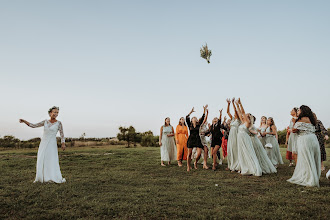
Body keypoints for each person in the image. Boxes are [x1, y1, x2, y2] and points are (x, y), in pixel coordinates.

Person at [19, 106, 66, 183]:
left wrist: (63, 143)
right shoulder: (45, 122)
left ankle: (52, 176)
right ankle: (42, 177)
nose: (56, 114)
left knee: (51, 159)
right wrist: (24, 121)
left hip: (52, 144)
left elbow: (62, 134)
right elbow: (33, 125)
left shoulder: (59, 123)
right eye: (54, 112)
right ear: (50, 113)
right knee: (42, 159)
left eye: (57, 112)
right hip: (43, 143)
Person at [287, 105, 321, 187]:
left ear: (303, 111)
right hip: (313, 139)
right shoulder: (311, 119)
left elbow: (295, 130)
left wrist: (291, 127)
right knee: (312, 157)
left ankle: (308, 177)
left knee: (305, 158)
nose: (297, 112)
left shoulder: (302, 119)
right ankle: (314, 176)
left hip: (305, 140)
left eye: (298, 110)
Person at [235, 99, 262, 176]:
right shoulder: (242, 122)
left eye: (246, 115)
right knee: (242, 152)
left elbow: (242, 112)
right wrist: (237, 105)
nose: (244, 115)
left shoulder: (248, 122)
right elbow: (240, 113)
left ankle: (252, 168)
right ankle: (243, 166)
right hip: (239, 138)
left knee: (247, 152)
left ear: (248, 117)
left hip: (244, 138)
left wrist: (240, 104)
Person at [186, 105, 207, 172]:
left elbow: (203, 117)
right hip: (191, 140)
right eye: (193, 118)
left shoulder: (198, 124)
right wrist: (191, 112)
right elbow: (187, 117)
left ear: (197, 120)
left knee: (199, 153)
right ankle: (188, 166)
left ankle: (195, 162)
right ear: (191, 120)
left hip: (197, 139)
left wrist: (204, 110)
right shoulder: (190, 124)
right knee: (189, 154)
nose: (194, 118)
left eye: (195, 118)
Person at [226, 98, 241, 172]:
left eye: (236, 113)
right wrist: (228, 104)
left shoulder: (239, 120)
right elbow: (228, 111)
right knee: (230, 149)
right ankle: (230, 165)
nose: (235, 113)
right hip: (231, 136)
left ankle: (236, 166)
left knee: (235, 150)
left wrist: (233, 103)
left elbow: (235, 110)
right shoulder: (232, 119)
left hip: (236, 135)